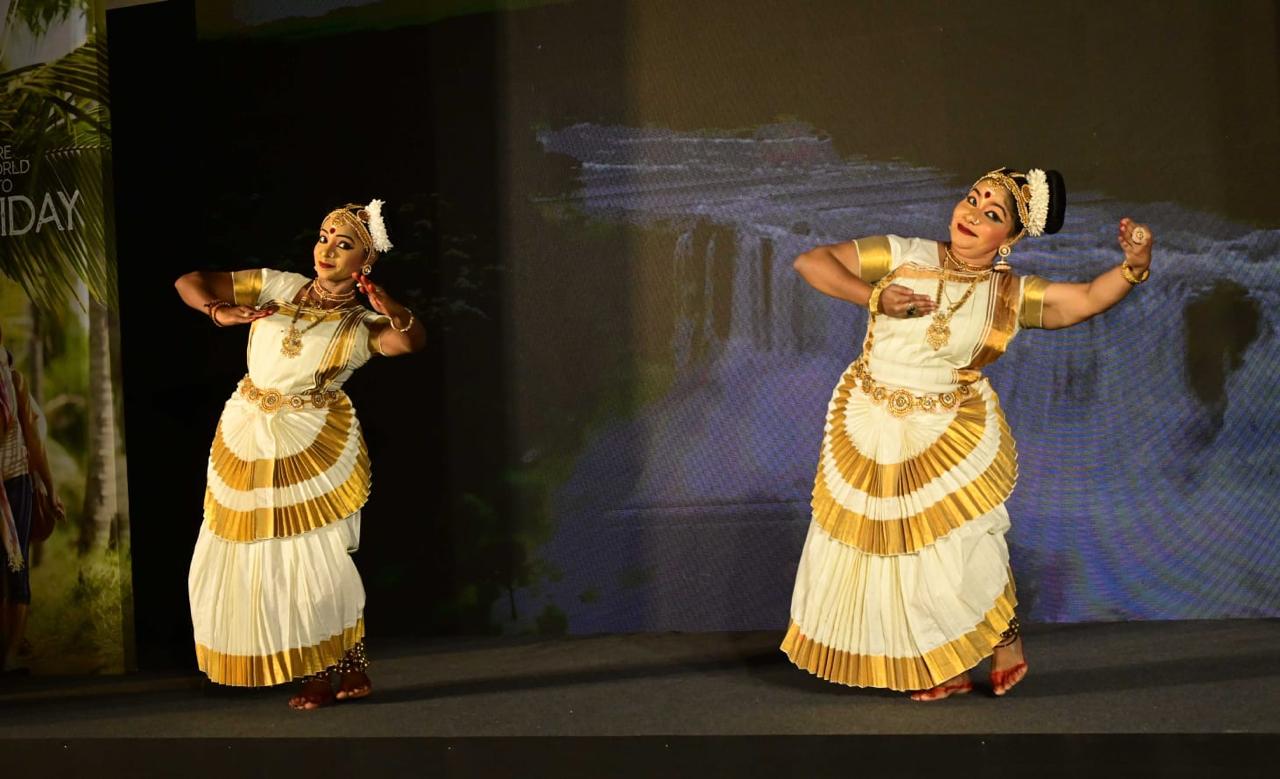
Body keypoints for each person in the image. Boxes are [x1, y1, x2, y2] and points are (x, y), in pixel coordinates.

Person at [782, 168, 1154, 700]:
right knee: (889, 550)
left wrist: (1133, 267)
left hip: (946, 431)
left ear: (1009, 238)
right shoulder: (902, 253)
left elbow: (1087, 298)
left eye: (992, 213)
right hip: (872, 420)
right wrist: (873, 296)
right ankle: (945, 667)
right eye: (973, 199)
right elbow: (812, 262)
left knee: (954, 548)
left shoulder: (1009, 295)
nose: (973, 213)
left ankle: (1003, 633)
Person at [176, 199, 425, 709]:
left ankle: (331, 668)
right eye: (324, 237)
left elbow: (409, 343)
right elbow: (190, 281)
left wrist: (394, 309)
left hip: (309, 442)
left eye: (343, 244)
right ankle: (327, 668)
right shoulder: (277, 285)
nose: (327, 249)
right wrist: (219, 311)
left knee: (314, 557)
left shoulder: (361, 323)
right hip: (247, 431)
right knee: (254, 553)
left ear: (365, 262)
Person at [0, 325, 65, 674]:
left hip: (16, 483)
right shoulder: (13, 381)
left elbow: (35, 443)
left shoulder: (15, 382)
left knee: (16, 566)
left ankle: (11, 654)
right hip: (13, 483)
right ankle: (9, 649)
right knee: (10, 568)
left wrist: (50, 489)